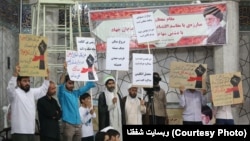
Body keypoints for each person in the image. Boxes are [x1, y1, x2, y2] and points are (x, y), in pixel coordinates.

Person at [7, 65, 50, 141]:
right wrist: (15, 74)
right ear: (19, 82)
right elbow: (10, 88)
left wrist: (47, 77)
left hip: (31, 130)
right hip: (19, 131)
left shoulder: (32, 92)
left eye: (28, 81)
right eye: (24, 81)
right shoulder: (15, 93)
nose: (27, 83)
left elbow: (43, 90)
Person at [58, 62, 96, 141]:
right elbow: (60, 85)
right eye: (69, 83)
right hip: (68, 124)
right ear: (65, 83)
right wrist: (64, 71)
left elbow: (87, 86)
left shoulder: (75, 93)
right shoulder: (62, 94)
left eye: (73, 83)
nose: (72, 85)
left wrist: (92, 72)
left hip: (78, 125)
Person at [98, 75, 125, 141]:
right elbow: (101, 110)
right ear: (106, 85)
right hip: (108, 123)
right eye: (109, 84)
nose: (112, 85)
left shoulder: (117, 94)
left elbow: (122, 111)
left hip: (118, 123)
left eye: (113, 83)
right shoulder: (103, 95)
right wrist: (112, 104)